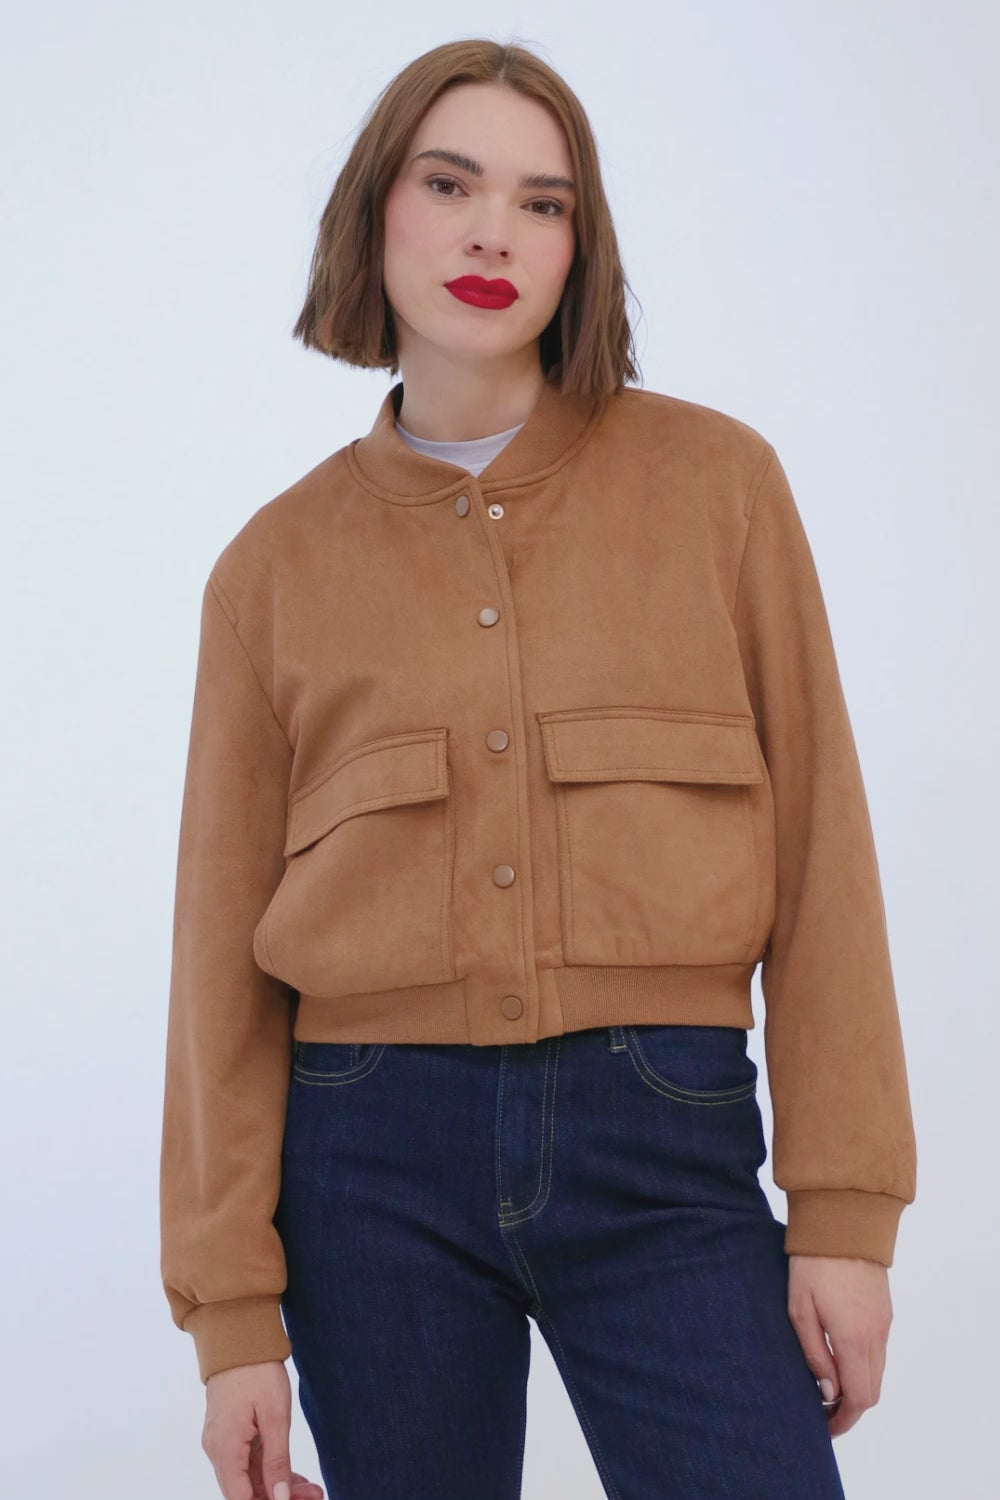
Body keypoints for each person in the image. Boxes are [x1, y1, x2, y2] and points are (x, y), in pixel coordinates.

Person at [159, 36, 917, 1500]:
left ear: (583, 244)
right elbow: (218, 971)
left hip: (666, 1135)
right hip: (367, 1163)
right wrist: (231, 1318)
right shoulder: (271, 572)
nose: (493, 233)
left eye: (543, 202)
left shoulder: (719, 489)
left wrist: (844, 1209)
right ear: (376, 212)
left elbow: (827, 850)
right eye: (450, 185)